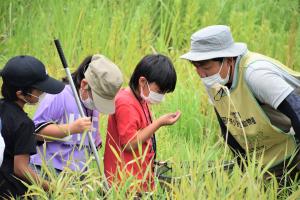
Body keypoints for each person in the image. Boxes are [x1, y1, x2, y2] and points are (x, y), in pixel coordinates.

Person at [180, 25, 300, 180]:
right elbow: (229, 128)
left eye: (206, 67)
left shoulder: (257, 74)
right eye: (196, 67)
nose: (201, 74)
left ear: (228, 59)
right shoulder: (212, 80)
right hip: (273, 153)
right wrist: (246, 173)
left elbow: (297, 111)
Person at [30, 54, 123, 174]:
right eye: (97, 99)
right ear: (84, 85)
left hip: (77, 174)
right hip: (48, 170)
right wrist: (71, 128)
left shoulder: (90, 105)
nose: (98, 105)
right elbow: (35, 131)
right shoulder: (59, 95)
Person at [104, 54, 181, 192]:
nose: (161, 96)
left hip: (139, 178)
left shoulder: (141, 99)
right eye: (159, 91)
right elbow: (129, 143)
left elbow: (143, 136)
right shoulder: (125, 103)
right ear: (142, 81)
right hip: (125, 184)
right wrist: (159, 123)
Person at [0, 55, 65, 198]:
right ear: (20, 93)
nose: (43, 93)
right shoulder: (24, 124)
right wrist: (53, 187)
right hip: (11, 193)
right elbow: (20, 169)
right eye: (39, 90)